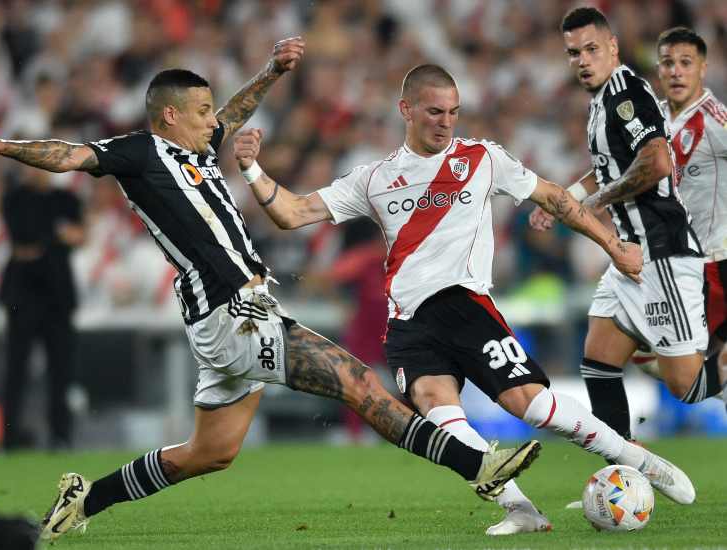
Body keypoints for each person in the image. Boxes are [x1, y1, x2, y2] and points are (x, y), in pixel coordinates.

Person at [0, 38, 542, 543]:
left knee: (210, 452)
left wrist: (272, 72)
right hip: (233, 314)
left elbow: (234, 113)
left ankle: (86, 499)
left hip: (228, 317)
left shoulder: (198, 151)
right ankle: (478, 467)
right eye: (202, 111)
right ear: (170, 115)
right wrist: (0, 146)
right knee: (356, 380)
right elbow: (66, 154)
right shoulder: (139, 153)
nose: (215, 121)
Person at [232, 62, 697, 537]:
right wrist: (250, 168)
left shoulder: (482, 159)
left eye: (454, 112)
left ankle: (636, 458)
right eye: (434, 112)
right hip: (408, 322)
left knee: (530, 405)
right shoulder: (373, 178)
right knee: (438, 412)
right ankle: (521, 510)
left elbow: (554, 197)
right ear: (406, 110)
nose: (446, 122)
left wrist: (613, 245)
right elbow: (292, 212)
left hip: (465, 305)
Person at [528, 7, 726, 442]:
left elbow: (656, 162)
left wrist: (593, 203)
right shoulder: (601, 102)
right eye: (573, 52)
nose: (582, 59)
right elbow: (611, 167)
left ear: (612, 47)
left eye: (592, 49)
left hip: (661, 252)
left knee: (685, 385)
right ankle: (627, 470)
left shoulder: (625, 94)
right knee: (597, 361)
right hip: (628, 255)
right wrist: (568, 199)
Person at [628, 28, 727, 399]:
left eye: (686, 63)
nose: (676, 71)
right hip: (673, 260)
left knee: (675, 365)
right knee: (647, 354)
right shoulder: (653, 119)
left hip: (715, 262)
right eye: (668, 63)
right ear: (658, 69)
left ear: (702, 68)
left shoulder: (716, 122)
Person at [0, 164, 84, 450]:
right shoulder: (15, 199)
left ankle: (61, 436)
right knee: (15, 369)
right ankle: (9, 438)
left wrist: (43, 243)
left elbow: (77, 236)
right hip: (23, 296)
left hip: (57, 295)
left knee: (61, 369)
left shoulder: (67, 199)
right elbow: (23, 240)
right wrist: (58, 236)